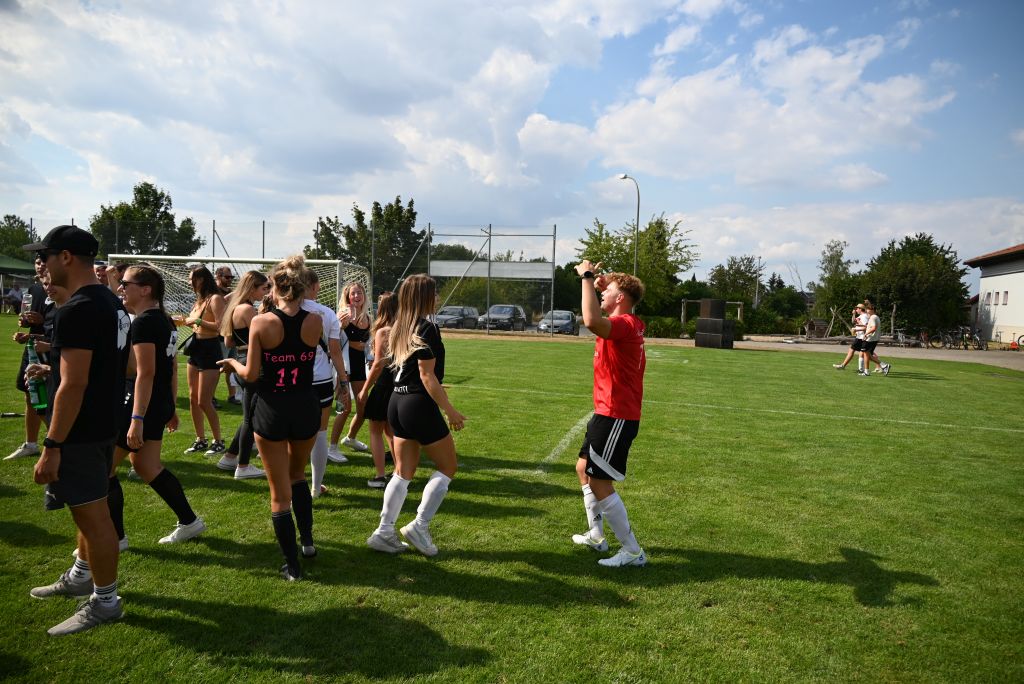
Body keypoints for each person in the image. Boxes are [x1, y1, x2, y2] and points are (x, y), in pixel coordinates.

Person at [23, 225, 131, 635]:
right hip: (104, 424)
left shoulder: (77, 309)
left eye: (45, 256)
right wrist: (51, 367)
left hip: (80, 431)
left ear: (66, 257)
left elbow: (74, 384)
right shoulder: (111, 301)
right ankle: (82, 574)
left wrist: (52, 444)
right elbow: (103, 366)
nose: (42, 265)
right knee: (90, 511)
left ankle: (105, 602)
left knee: (94, 517)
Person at [218, 256, 321, 581]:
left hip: (272, 409)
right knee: (298, 475)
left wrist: (231, 364)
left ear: (275, 288)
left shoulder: (261, 323)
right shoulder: (315, 321)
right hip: (305, 407)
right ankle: (307, 543)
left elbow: (250, 375)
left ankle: (292, 566)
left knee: (279, 493)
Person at [105, 265, 206, 547]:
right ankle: (190, 521)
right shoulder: (164, 320)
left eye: (126, 283)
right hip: (157, 402)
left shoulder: (144, 323)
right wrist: (169, 407)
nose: (121, 288)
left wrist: (137, 418)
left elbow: (145, 373)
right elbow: (170, 369)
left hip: (142, 405)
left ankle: (116, 538)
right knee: (147, 466)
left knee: (104, 469)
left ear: (145, 289)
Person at [366, 274, 465, 557]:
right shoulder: (427, 327)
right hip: (417, 404)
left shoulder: (399, 326)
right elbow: (426, 376)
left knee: (402, 472)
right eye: (434, 293)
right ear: (423, 297)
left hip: (397, 402)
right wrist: (450, 410)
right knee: (448, 467)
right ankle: (419, 526)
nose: (437, 298)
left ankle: (384, 531)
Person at [570, 260, 648, 568]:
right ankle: (596, 535)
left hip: (616, 415)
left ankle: (632, 551)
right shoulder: (627, 321)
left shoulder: (625, 324)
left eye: (610, 291)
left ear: (621, 298)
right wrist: (602, 286)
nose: (603, 293)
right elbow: (601, 312)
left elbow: (591, 320)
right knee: (583, 469)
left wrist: (587, 278)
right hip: (607, 411)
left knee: (600, 483)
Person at [299, 267, 349, 498]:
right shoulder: (327, 313)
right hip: (320, 380)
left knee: (293, 433)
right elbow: (335, 352)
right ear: (315, 286)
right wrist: (344, 382)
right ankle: (315, 487)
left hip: (291, 379)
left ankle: (292, 484)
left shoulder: (286, 309)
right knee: (320, 433)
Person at [216, 270, 270, 479]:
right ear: (252, 288)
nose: (266, 292)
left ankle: (230, 457)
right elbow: (265, 337)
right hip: (250, 363)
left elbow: (229, 341)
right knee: (251, 418)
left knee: (250, 415)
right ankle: (243, 465)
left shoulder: (235, 308)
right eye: (263, 288)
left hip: (241, 361)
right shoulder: (248, 309)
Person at [6, 257, 50, 461]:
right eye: (37, 262)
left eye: (44, 262)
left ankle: (62, 444)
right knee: (29, 393)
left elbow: (58, 323)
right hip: (32, 347)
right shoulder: (34, 289)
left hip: (49, 349)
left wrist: (42, 320)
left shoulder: (60, 289)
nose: (40, 266)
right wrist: (24, 322)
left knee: (48, 399)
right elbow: (28, 318)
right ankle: (31, 444)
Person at [182, 265, 226, 455]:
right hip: (196, 349)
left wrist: (198, 321)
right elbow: (195, 323)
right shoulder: (199, 300)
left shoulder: (215, 299)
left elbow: (221, 326)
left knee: (204, 401)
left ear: (200, 279)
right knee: (193, 398)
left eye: (191, 278)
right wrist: (186, 321)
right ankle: (200, 439)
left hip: (210, 350)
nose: (188, 282)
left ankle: (218, 441)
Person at [357, 291, 397, 488]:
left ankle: (380, 476)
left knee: (375, 430)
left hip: (384, 384)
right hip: (398, 383)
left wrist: (364, 389)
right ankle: (399, 472)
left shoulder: (384, 331)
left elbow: (379, 364)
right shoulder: (404, 328)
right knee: (391, 431)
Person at [328, 281, 371, 457]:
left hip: (360, 365)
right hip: (343, 367)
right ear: (347, 297)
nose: (356, 296)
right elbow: (333, 341)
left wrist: (370, 357)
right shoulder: (342, 315)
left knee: (363, 407)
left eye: (359, 292)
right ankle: (332, 448)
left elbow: (368, 345)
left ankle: (350, 438)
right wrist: (341, 326)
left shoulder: (368, 318)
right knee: (344, 408)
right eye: (353, 293)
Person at [214, 266, 240, 405]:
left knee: (231, 367)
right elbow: (222, 303)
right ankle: (210, 396)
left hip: (232, 335)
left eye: (231, 277)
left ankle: (232, 396)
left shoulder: (230, 292)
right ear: (218, 276)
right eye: (227, 277)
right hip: (219, 336)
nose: (230, 279)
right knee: (217, 368)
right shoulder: (214, 292)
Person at [832, 304, 868, 371]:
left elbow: (865, 327)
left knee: (864, 353)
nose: (856, 310)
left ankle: (843, 366)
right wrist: (853, 314)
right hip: (859, 337)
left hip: (861, 337)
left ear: (860, 309)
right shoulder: (861, 316)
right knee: (862, 352)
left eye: (857, 308)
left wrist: (856, 330)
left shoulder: (864, 316)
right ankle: (844, 365)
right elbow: (853, 321)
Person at [860, 301, 891, 376]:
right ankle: (883, 366)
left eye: (868, 309)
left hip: (870, 339)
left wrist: (866, 334)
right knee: (867, 355)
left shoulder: (873, 317)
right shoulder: (875, 317)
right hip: (873, 339)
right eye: (867, 309)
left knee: (866, 354)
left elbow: (874, 328)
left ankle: (868, 371)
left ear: (872, 310)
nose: (867, 310)